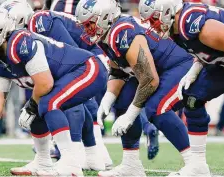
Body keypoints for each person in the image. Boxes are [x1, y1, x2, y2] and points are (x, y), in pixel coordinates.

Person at [75, 0, 207, 176]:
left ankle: (194, 164)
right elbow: (119, 72)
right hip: (157, 70)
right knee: (123, 97)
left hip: (178, 64)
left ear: (105, 17)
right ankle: (131, 165)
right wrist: (108, 97)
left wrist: (131, 115)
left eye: (89, 23)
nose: (86, 29)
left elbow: (150, 80)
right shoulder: (108, 34)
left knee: (157, 108)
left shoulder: (122, 32)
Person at [0, 7, 107, 176]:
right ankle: (43, 161)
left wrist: (30, 107)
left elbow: (45, 84)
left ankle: (71, 163)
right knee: (37, 109)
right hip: (68, 75)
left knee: (47, 103)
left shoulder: (21, 42)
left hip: (88, 68)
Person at [139, 0, 224, 175]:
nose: (151, 25)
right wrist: (196, 67)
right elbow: (205, 48)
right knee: (192, 97)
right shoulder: (176, 28)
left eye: (153, 19)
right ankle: (198, 166)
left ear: (167, 11)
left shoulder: (190, 21)